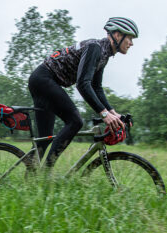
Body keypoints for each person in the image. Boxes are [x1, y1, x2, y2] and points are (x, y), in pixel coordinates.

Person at [28, 17, 139, 168]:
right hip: (44, 79)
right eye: (130, 38)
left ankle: (31, 176)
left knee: (45, 138)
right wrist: (104, 114)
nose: (131, 43)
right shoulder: (95, 48)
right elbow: (82, 84)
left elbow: (97, 88)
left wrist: (113, 113)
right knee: (75, 121)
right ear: (118, 35)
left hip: (42, 80)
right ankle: (47, 172)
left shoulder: (103, 53)